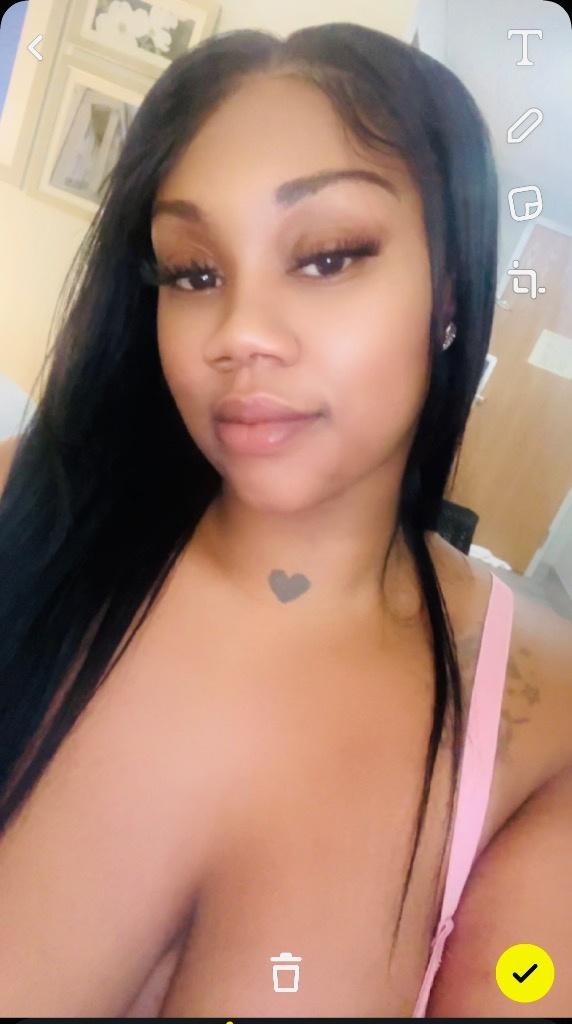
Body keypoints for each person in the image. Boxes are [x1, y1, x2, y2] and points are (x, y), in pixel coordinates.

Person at [0, 23, 571, 1018]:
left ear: (447, 293)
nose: (240, 333)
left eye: (326, 256)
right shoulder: (20, 516)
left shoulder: (542, 715)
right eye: (192, 272)